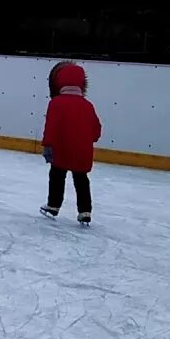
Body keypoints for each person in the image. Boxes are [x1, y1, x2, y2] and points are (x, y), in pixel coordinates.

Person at [41, 62, 102, 224]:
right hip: (83, 150)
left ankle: (53, 206)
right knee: (81, 179)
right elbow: (96, 129)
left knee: (57, 175)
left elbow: (51, 126)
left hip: (62, 148)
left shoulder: (56, 103)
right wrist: (89, 139)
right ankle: (85, 211)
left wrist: (48, 145)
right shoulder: (88, 105)